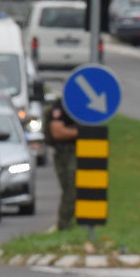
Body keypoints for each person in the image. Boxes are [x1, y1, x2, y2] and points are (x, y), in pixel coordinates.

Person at [47, 97, 79, 230]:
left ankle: (70, 224)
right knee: (71, 190)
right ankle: (64, 225)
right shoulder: (61, 105)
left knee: (76, 190)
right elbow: (57, 132)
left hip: (82, 151)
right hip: (65, 153)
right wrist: (82, 132)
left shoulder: (82, 104)